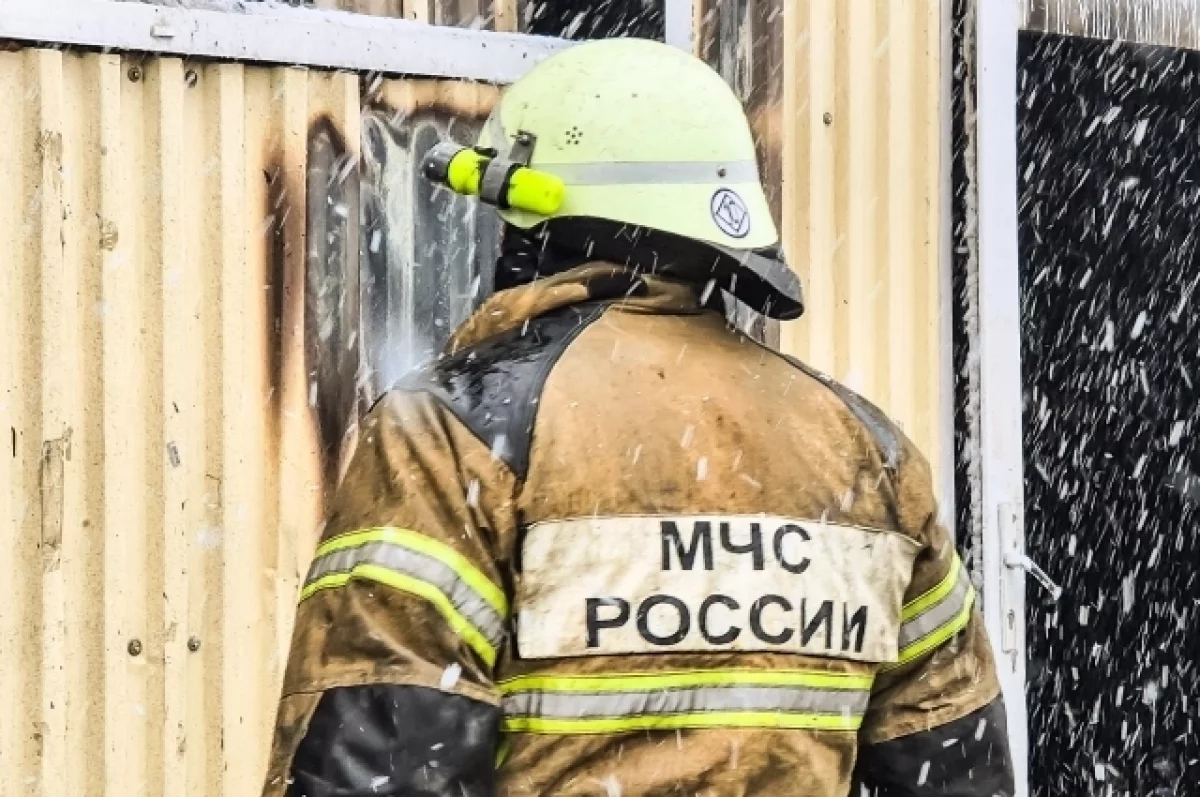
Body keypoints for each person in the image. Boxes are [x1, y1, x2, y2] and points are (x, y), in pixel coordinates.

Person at [262, 37, 1014, 797]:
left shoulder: (456, 429)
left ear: (537, 222)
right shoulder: (868, 452)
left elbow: (380, 760)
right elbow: (956, 768)